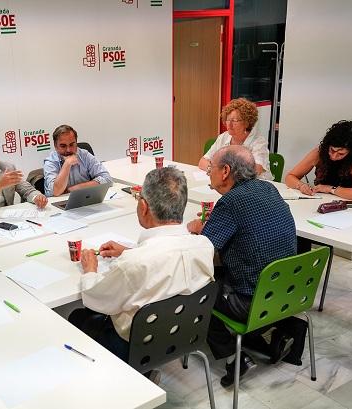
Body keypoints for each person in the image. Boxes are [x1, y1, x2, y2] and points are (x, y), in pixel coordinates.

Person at [69, 167, 215, 363]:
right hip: (185, 337)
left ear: (143, 206)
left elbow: (97, 300)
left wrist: (90, 270)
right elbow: (166, 259)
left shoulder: (133, 263)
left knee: (77, 317)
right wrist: (131, 251)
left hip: (133, 347)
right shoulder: (204, 246)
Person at [187, 145, 296, 387]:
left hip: (252, 301)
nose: (209, 174)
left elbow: (203, 251)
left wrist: (197, 231)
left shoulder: (231, 202)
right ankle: (260, 340)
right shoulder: (268, 188)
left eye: (211, 169)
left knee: (195, 287)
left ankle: (234, 359)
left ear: (225, 171)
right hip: (287, 291)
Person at [285, 120, 352, 201]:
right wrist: (301, 186)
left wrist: (330, 189)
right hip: (321, 202)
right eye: (332, 150)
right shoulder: (319, 153)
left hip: (349, 206)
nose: (334, 156)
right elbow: (290, 177)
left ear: (351, 153)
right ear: (328, 145)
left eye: (341, 154)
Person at [198, 98, 273, 180]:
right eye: (228, 120)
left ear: (246, 123)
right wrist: (211, 170)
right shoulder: (224, 137)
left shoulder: (258, 141)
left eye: (234, 121)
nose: (229, 125)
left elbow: (256, 169)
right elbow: (203, 161)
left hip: (255, 185)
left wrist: (224, 173)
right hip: (228, 183)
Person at [43, 124, 112, 197]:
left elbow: (107, 179)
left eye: (72, 144)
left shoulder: (84, 155)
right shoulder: (50, 162)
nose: (68, 150)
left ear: (76, 143)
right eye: (63, 146)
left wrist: (73, 189)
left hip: (84, 198)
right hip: (60, 204)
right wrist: (67, 164)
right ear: (55, 146)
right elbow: (56, 191)